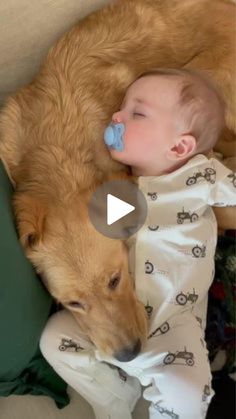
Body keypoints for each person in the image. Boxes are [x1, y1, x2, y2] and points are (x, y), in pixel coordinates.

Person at [40, 68, 236, 419]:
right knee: (54, 339)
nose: (116, 116)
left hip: (174, 328)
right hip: (114, 324)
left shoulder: (199, 176)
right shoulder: (120, 191)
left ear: (180, 145)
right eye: (121, 107)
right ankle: (114, 399)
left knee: (189, 394)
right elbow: (84, 244)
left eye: (136, 112)